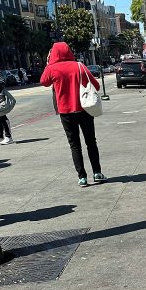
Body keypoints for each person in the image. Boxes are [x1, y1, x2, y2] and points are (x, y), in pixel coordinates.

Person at [40, 42, 105, 187]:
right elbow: (96, 85)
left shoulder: (52, 68)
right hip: (84, 110)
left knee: (74, 145)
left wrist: (49, 62)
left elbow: (43, 81)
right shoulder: (79, 66)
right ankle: (97, 173)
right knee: (91, 142)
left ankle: (82, 177)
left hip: (65, 112)